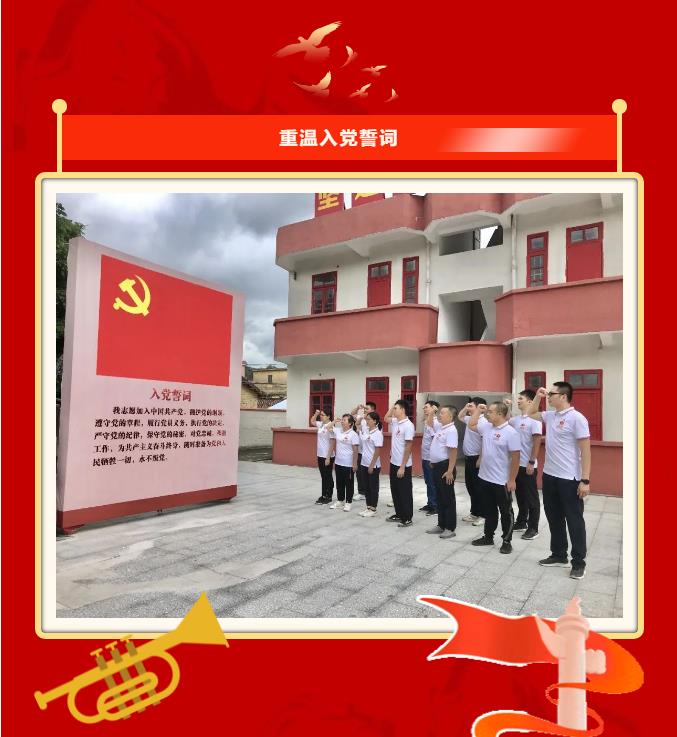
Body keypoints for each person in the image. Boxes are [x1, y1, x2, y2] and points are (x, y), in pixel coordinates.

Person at [526, 382, 591, 580]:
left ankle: (578, 562)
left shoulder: (577, 418)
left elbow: (586, 451)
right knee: (554, 518)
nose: (548, 396)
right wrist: (537, 396)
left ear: (563, 396)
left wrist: (585, 480)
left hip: (569, 479)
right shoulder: (551, 415)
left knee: (574, 521)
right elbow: (530, 413)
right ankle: (559, 554)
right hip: (550, 476)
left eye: (551, 394)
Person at [469, 401, 521, 554]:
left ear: (500, 414)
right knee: (489, 509)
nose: (487, 414)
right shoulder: (486, 427)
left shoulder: (511, 433)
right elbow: (471, 424)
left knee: (506, 512)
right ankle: (488, 537)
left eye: (490, 411)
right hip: (485, 477)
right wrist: (478, 410)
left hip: (501, 480)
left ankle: (507, 541)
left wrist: (512, 479)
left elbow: (516, 458)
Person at [506, 391, 543, 540]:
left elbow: (537, 441)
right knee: (520, 496)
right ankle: (522, 522)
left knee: (532, 498)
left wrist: (532, 462)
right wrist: (508, 407)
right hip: (516, 465)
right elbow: (506, 420)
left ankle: (533, 528)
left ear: (530, 402)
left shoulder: (535, 420)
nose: (518, 401)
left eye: (521, 398)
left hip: (528, 465)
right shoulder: (516, 419)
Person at [424, 405, 459, 539]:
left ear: (450, 416)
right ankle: (441, 525)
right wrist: (432, 412)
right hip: (437, 467)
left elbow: (453, 451)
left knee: (447, 498)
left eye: (442, 413)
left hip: (445, 468)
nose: (440, 415)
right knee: (439, 497)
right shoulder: (441, 427)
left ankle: (450, 527)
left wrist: (450, 471)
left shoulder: (451, 430)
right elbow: (429, 422)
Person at [383, 399, 415, 527]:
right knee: (395, 490)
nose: (393, 410)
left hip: (403, 465)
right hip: (393, 462)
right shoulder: (396, 421)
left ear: (403, 410)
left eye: (396, 408)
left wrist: (402, 466)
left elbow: (408, 446)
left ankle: (407, 518)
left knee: (404, 492)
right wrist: (393, 407)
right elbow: (386, 418)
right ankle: (399, 514)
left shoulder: (408, 425)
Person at [458, 397, 488, 526]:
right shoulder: (470, 419)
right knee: (471, 487)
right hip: (468, 458)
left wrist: (480, 458)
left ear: (479, 408)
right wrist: (466, 407)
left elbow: (485, 442)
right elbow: (460, 416)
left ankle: (483, 514)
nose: (469, 408)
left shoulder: (483, 422)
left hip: (477, 458)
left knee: (479, 488)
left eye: (472, 406)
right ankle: (474, 512)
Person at [329, 414, 360, 511]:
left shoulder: (353, 435)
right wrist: (334, 421)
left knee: (349, 483)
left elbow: (355, 450)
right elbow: (327, 427)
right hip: (338, 462)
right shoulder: (338, 431)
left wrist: (354, 464)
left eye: (344, 420)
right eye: (342, 420)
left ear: (350, 423)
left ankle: (348, 502)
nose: (342, 421)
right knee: (339, 483)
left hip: (348, 464)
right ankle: (340, 500)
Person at [358, 411, 384, 517]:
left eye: (368, 419)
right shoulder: (366, 431)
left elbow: (378, 450)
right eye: (366, 419)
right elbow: (357, 425)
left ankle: (373, 508)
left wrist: (372, 465)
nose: (366, 421)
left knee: (373, 487)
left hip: (373, 465)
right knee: (366, 487)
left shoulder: (378, 434)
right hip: (364, 463)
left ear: (374, 421)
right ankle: (368, 507)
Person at [352, 401, 377, 501]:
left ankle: (371, 493)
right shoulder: (361, 419)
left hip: (370, 452)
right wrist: (358, 407)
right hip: (360, 451)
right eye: (365, 409)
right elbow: (352, 414)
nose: (365, 410)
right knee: (360, 473)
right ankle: (361, 492)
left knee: (370, 474)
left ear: (373, 410)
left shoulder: (375, 422)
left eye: (367, 409)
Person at [420, 400, 441, 516]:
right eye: (424, 407)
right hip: (425, 456)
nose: (424, 409)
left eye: (426, 407)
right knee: (428, 481)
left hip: (430, 458)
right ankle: (430, 503)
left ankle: (435, 506)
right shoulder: (427, 421)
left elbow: (435, 440)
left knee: (432, 482)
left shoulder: (435, 423)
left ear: (433, 408)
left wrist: (433, 458)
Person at [310, 408, 335, 504]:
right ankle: (324, 494)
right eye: (321, 415)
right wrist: (316, 414)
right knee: (323, 476)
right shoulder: (321, 424)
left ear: (328, 416)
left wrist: (328, 457)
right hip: (320, 454)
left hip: (328, 456)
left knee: (328, 476)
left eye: (323, 415)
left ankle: (329, 496)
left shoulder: (331, 426)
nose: (321, 416)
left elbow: (332, 443)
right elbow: (312, 421)